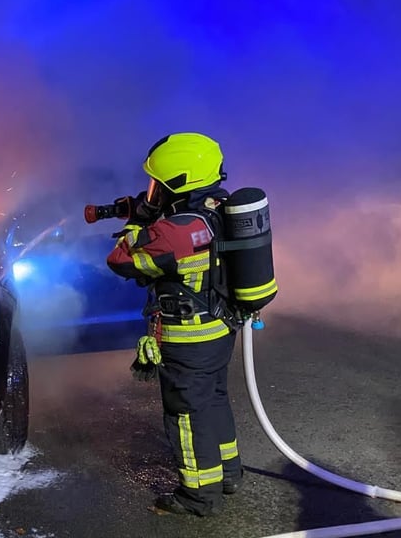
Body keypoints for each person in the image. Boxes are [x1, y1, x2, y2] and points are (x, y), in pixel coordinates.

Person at [106, 132, 242, 517]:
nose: (153, 191)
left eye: (158, 184)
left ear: (180, 180)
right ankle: (229, 473)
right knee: (213, 400)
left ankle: (198, 495)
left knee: (186, 413)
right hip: (219, 330)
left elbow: (120, 259)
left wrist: (138, 222)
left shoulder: (174, 231)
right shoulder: (220, 210)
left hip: (187, 339)